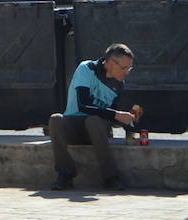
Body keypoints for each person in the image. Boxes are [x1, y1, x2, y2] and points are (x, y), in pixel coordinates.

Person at [49, 44, 138, 191]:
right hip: (73, 126)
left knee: (94, 120)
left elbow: (111, 115)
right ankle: (65, 173)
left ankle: (110, 177)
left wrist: (129, 120)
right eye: (124, 68)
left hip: (97, 131)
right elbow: (83, 105)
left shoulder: (119, 84)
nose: (127, 72)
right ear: (110, 63)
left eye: (129, 68)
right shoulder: (87, 69)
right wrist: (116, 114)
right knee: (55, 119)